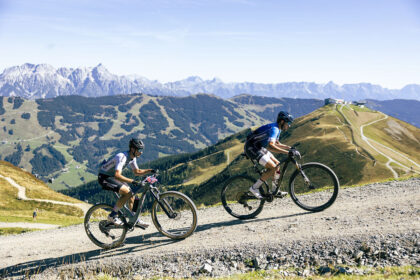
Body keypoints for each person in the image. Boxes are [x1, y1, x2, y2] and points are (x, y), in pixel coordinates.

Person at [98, 138, 154, 227]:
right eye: (139, 149)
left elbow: (137, 171)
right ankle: (112, 216)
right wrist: (132, 181)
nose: (141, 152)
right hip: (105, 177)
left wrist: (151, 171)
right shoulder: (122, 157)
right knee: (127, 193)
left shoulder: (132, 157)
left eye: (142, 150)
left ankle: (135, 219)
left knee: (132, 195)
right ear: (133, 149)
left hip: (112, 176)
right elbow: (117, 175)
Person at [244, 111, 301, 199]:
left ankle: (275, 190)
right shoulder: (275, 129)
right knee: (273, 167)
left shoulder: (278, 128)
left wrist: (290, 148)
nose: (289, 125)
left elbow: (276, 143)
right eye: (288, 123)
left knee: (277, 164)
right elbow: (271, 146)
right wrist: (287, 152)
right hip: (252, 148)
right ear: (282, 122)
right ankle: (254, 188)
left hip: (259, 147)